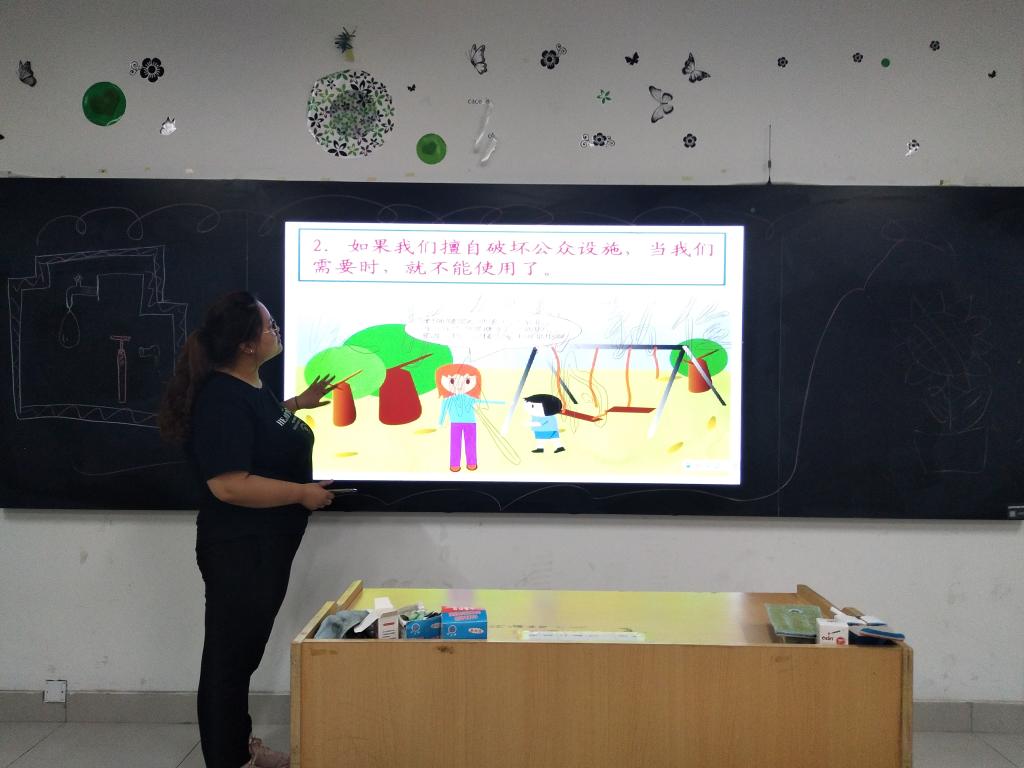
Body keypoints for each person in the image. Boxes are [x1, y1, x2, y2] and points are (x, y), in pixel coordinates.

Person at [158, 291, 337, 768]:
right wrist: (301, 494)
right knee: (229, 662)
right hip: (240, 549)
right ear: (246, 344)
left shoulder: (249, 388)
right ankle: (228, 758)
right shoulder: (221, 398)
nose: (276, 330)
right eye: (269, 325)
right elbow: (229, 484)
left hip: (263, 546)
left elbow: (261, 429)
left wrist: (298, 403)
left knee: (240, 657)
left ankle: (238, 750)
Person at [435, 362, 504, 472]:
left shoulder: (469, 398)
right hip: (456, 424)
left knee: (470, 443)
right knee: (455, 444)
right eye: (452, 381)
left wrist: (501, 402)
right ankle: (454, 464)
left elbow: (483, 402)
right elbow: (443, 411)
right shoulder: (447, 399)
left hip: (470, 423)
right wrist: (440, 422)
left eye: (467, 381)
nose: (459, 385)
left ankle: (472, 463)